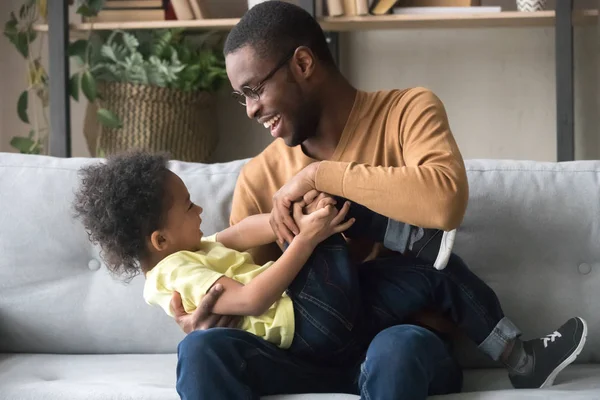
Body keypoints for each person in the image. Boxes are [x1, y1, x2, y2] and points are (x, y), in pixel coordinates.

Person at [170, 2, 588, 399]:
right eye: (240, 96)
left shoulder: (408, 111)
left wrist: (318, 174)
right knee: (200, 353)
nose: (249, 109)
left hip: (399, 341)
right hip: (306, 346)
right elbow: (249, 285)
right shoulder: (259, 175)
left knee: (397, 350)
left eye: (254, 89)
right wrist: (208, 316)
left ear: (302, 64)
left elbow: (444, 203)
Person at [72, 151, 448, 366]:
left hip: (328, 316)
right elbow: (251, 299)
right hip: (296, 319)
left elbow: (238, 234)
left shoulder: (190, 250)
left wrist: (282, 220)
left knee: (318, 207)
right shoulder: (176, 270)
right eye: (189, 207)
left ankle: (413, 245)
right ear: (160, 239)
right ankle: (412, 238)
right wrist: (303, 237)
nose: (200, 208)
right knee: (325, 205)